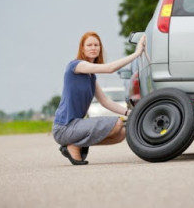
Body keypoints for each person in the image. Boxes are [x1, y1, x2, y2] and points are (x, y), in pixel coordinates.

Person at [52, 31, 146, 165]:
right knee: (116, 123)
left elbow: (105, 102)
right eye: (89, 45)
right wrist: (136, 54)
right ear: (82, 49)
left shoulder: (91, 76)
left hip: (76, 126)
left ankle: (75, 145)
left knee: (121, 133)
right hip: (64, 127)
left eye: (96, 45)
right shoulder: (76, 66)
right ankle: (74, 146)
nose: (93, 48)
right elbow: (110, 68)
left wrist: (130, 113)